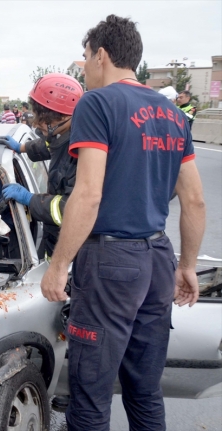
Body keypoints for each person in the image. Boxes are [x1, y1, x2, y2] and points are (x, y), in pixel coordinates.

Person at [40, 15, 205, 431]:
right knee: (145, 392)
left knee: (90, 396)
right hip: (157, 260)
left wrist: (59, 266)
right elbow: (195, 200)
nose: (83, 67)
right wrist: (186, 266)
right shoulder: (172, 114)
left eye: (85, 57)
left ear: (102, 54)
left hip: (112, 262)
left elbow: (89, 193)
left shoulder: (97, 104)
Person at [0, 73, 83, 258]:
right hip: (53, 242)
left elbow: (71, 210)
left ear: (65, 118)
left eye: (44, 121)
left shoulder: (82, 153)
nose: (36, 124)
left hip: (69, 253)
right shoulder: (63, 135)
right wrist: (21, 147)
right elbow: (50, 146)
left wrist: (31, 199)